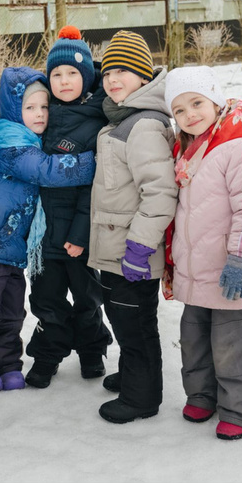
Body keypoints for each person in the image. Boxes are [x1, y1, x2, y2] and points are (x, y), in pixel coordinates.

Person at [0, 67, 94, 394]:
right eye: (30, 107)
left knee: (11, 314)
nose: (39, 114)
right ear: (13, 111)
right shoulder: (10, 145)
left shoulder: (30, 141)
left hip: (11, 250)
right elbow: (49, 171)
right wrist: (97, 158)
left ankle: (7, 365)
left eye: (44, 107)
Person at [161, 66, 242, 438]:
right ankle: (202, 395)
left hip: (229, 268)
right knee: (194, 339)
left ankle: (240, 410)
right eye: (179, 109)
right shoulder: (187, 148)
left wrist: (239, 258)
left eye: (197, 103)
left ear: (215, 100)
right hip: (196, 271)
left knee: (231, 345)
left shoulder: (237, 144)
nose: (190, 114)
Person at [86, 30, 178, 425]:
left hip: (131, 254)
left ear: (144, 76)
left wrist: (139, 248)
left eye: (123, 70)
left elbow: (160, 193)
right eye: (107, 71)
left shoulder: (142, 126)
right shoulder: (122, 120)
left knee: (136, 325)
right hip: (115, 249)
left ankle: (142, 397)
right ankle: (133, 376)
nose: (112, 79)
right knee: (125, 320)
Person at [25, 29, 112, 390]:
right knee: (46, 302)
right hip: (44, 239)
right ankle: (47, 357)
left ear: (87, 77)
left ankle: (92, 351)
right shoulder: (40, 119)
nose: (64, 81)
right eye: (57, 74)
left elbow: (95, 187)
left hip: (81, 237)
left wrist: (79, 236)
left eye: (72, 73)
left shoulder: (95, 124)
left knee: (88, 300)